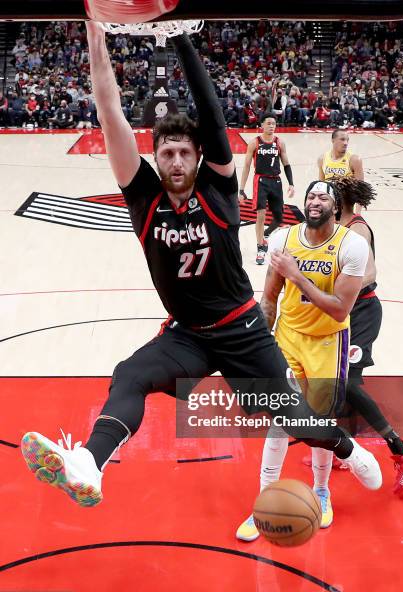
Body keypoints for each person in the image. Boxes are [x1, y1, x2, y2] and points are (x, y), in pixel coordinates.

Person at [21, 22, 381, 508]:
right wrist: (94, 34)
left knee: (290, 414)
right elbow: (110, 116)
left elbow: (212, 115)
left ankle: (345, 446)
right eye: (166, 153)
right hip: (188, 334)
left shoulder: (217, 193)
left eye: (183, 153)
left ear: (197, 158)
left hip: (241, 329)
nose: (174, 161)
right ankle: (89, 462)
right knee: (129, 374)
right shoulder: (144, 196)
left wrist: (182, 38)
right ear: (156, 157)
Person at [237, 179, 372, 540]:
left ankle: (322, 492)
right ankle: (264, 501)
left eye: (322, 197)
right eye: (311, 196)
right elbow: (269, 298)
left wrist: (298, 275)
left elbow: (339, 308)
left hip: (329, 342)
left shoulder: (352, 246)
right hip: (288, 338)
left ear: (335, 205)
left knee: (320, 425)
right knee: (280, 421)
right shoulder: (283, 238)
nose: (314, 202)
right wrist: (257, 349)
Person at [331, 178, 403, 493]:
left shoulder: (356, 228)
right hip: (347, 312)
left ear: (339, 199)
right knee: (341, 381)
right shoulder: (337, 226)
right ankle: (346, 449)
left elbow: (369, 272)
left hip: (363, 311)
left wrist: (340, 284)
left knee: (346, 382)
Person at [239, 113, 295, 265]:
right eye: (269, 123)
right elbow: (246, 167)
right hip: (261, 181)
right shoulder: (254, 142)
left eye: (274, 124)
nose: (271, 126)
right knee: (261, 215)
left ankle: (266, 234)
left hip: (276, 181)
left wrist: (291, 183)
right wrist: (241, 189)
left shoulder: (279, 142)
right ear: (262, 125)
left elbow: (286, 164)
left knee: (278, 218)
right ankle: (260, 248)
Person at [318, 129, 364, 214]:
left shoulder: (355, 159)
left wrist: (358, 214)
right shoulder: (322, 159)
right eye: (342, 139)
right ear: (333, 140)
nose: (346, 143)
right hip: (329, 206)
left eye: (347, 140)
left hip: (346, 207)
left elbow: (360, 189)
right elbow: (321, 185)